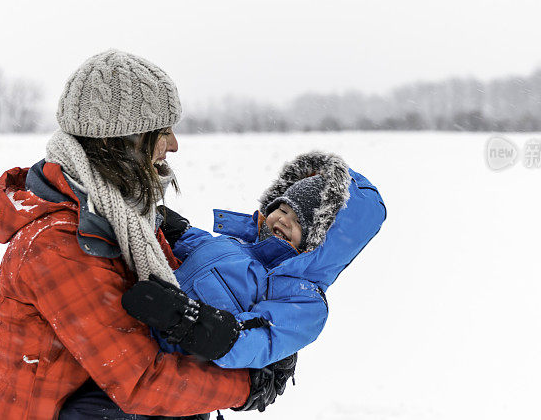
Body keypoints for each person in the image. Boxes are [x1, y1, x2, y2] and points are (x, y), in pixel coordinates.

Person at [0, 49, 288, 420]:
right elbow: (139, 379)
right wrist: (246, 385)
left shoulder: (123, 215)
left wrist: (251, 335)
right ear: (118, 142)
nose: (173, 145)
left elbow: (183, 293)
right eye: (163, 132)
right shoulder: (59, 245)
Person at [122, 150, 387, 371]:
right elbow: (203, 248)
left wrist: (187, 320)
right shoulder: (241, 246)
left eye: (298, 222)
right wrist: (179, 231)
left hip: (172, 365)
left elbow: (258, 339)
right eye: (282, 209)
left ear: (318, 243)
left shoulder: (303, 300)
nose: (283, 220)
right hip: (134, 330)